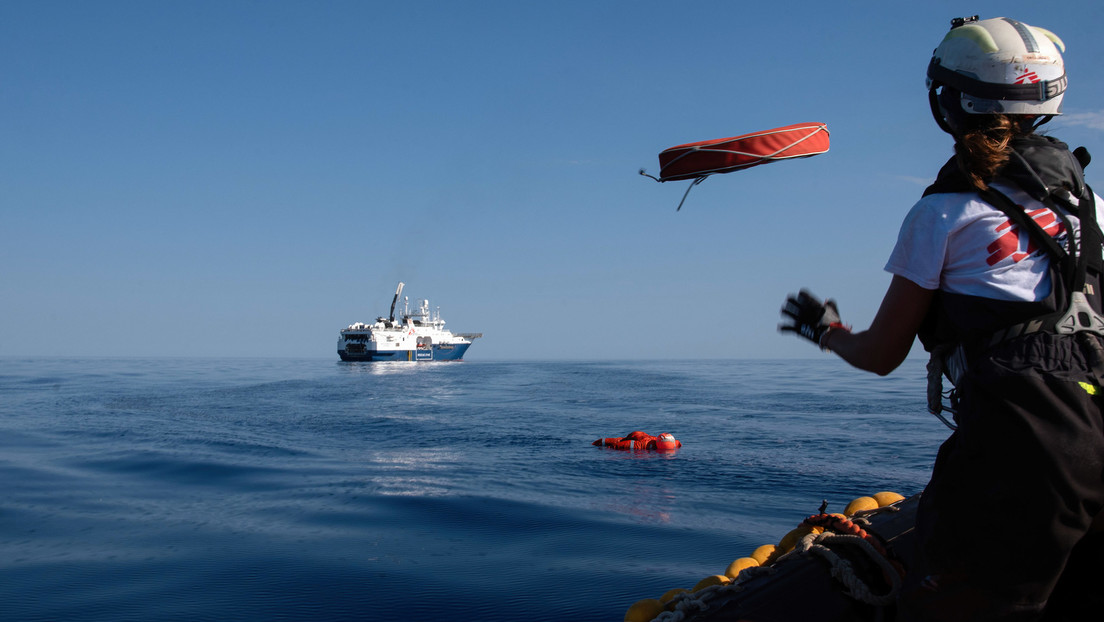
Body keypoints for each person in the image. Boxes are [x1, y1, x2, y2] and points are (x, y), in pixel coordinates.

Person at [779, 16, 1104, 621]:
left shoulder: (944, 212)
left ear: (947, 104)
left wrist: (825, 330)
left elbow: (881, 355)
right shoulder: (1094, 210)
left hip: (1026, 446)